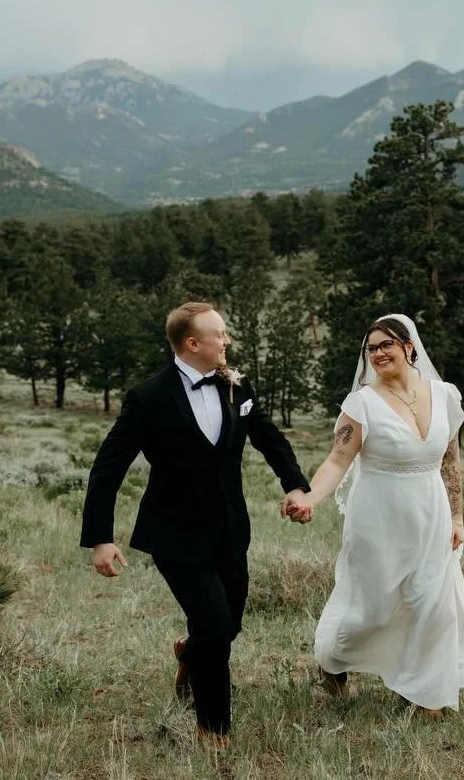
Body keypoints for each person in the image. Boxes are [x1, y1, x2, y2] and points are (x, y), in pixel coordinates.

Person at [80, 301, 312, 750]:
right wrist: (101, 539)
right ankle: (213, 729)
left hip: (230, 531)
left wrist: (296, 486)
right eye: (219, 334)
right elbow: (108, 467)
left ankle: (189, 653)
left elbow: (269, 439)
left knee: (226, 626)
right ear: (192, 343)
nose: (226, 341)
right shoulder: (147, 398)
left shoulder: (236, 388)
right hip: (174, 534)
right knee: (212, 625)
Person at [282, 313, 464, 715]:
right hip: (378, 518)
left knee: (431, 601)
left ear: (409, 346)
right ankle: (332, 660)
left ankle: (423, 694)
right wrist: (310, 498)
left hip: (431, 512)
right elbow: (337, 460)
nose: (378, 353)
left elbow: (450, 463)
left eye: (387, 344)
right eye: (371, 348)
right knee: (374, 608)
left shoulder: (444, 395)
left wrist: (457, 518)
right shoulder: (361, 404)